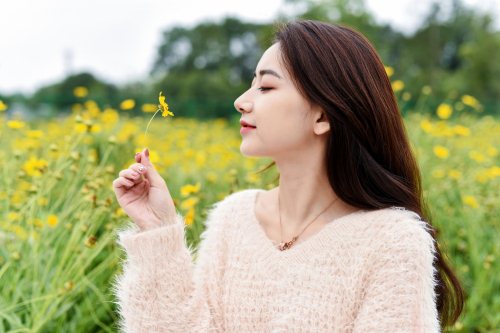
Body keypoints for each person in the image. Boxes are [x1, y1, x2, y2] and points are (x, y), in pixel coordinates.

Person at [112, 20, 464, 332]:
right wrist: (158, 229)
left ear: (323, 116)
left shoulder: (392, 241)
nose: (241, 101)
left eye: (265, 87)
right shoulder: (233, 218)